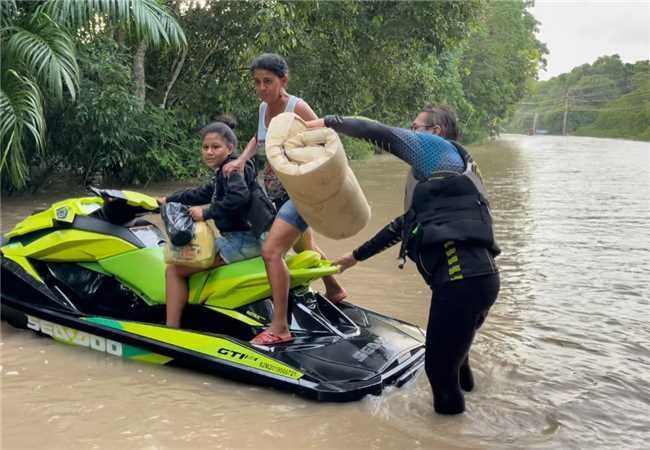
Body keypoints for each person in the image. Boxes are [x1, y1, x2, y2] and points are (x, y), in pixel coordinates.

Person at [305, 105, 500, 415]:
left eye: (416, 127)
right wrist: (353, 257)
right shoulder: (443, 176)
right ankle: (470, 413)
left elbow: (379, 132)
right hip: (481, 279)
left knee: (438, 372)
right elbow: (402, 227)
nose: (411, 133)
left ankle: (449, 433)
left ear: (435, 132)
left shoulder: (437, 150)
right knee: (457, 361)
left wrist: (327, 122)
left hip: (460, 281)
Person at [223, 53, 346, 345]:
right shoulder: (264, 107)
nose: (262, 87)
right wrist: (241, 160)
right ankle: (335, 289)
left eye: (268, 81)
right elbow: (258, 137)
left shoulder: (297, 107)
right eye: (257, 82)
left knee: (271, 251)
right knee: (309, 245)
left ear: (284, 80)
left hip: (302, 193)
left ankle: (280, 327)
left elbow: (325, 141)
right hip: (275, 192)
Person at [158, 119, 268, 328]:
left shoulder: (232, 169)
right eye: (205, 147)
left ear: (230, 148)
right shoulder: (225, 171)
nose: (209, 152)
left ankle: (171, 329)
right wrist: (169, 199)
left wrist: (206, 212)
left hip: (244, 240)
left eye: (215, 147)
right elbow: (201, 192)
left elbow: (239, 197)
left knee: (174, 270)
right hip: (247, 237)